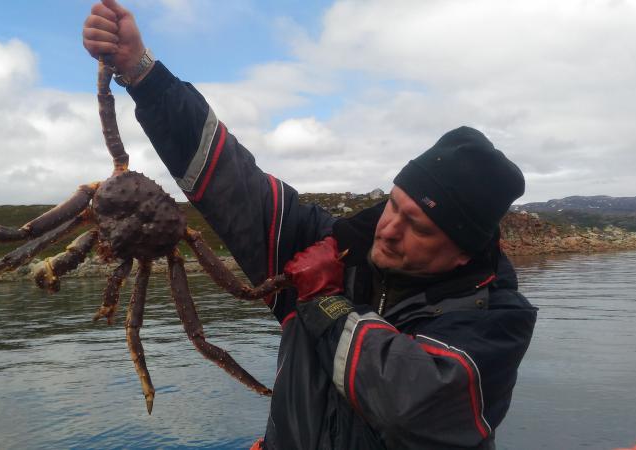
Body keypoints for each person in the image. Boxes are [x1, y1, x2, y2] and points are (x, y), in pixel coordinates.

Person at [83, 1, 537, 448]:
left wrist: (324, 301)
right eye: (392, 206)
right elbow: (230, 181)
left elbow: (412, 405)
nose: (388, 230)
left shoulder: (497, 321)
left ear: (462, 250)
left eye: (417, 227)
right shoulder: (331, 247)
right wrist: (141, 72)